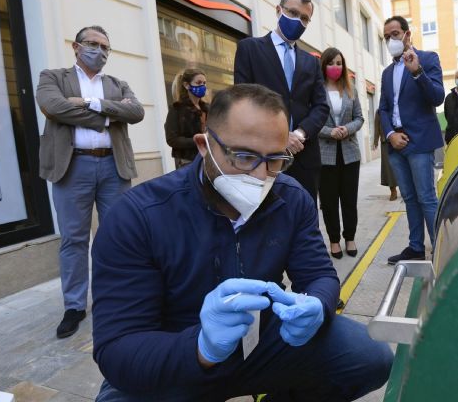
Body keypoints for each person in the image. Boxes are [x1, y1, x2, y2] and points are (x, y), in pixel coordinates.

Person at [92, 84, 393, 401]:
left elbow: (318, 274)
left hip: (262, 340)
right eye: (244, 156)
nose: (261, 176)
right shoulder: (138, 216)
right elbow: (117, 348)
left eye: (275, 159)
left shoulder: (291, 199)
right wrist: (201, 348)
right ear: (204, 145)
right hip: (174, 352)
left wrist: (317, 305)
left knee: (369, 356)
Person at [35, 25, 144, 338]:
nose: (100, 51)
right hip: (72, 167)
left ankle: (117, 297)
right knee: (74, 239)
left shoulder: (117, 84)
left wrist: (90, 103)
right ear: (76, 46)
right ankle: (74, 305)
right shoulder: (53, 77)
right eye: (93, 44)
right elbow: (53, 107)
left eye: (105, 47)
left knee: (118, 236)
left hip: (113, 166)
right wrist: (110, 116)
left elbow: (136, 112)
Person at [234, 0, 329, 203]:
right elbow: (243, 101)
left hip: (304, 156)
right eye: (293, 13)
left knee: (304, 217)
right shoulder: (249, 49)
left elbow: (321, 106)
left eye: (304, 18)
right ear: (278, 10)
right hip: (262, 157)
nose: (298, 21)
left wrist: (300, 134)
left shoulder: (312, 62)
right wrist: (280, 136)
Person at [378, 16, 445, 265]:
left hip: (420, 142)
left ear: (407, 34)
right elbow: (384, 109)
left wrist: (417, 72)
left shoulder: (428, 59)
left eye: (395, 34)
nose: (391, 40)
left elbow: (437, 97)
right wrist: (390, 134)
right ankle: (416, 247)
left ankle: (441, 249)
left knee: (426, 197)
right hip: (396, 144)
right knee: (409, 198)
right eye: (386, 37)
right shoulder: (386, 73)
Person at [317, 48, 364, 259]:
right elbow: (311, 121)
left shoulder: (350, 88)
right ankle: (334, 241)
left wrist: (347, 129)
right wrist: (329, 131)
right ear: (323, 65)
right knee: (328, 202)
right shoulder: (316, 90)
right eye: (331, 63)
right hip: (325, 155)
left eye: (339, 63)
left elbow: (359, 118)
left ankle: (350, 238)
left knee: (349, 200)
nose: (335, 67)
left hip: (350, 154)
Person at [164, 69, 210, 168]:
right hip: (188, 162)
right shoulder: (177, 109)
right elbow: (172, 139)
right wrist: (198, 140)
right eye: (198, 83)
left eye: (204, 83)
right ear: (186, 85)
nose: (202, 86)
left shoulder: (207, 109)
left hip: (209, 159)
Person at [373, 111, 398, 201]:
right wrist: (375, 141)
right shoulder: (379, 111)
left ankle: (406, 189)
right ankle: (393, 190)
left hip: (399, 139)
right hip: (385, 142)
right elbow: (376, 126)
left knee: (402, 165)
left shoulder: (397, 106)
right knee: (388, 168)